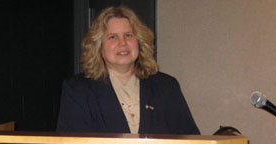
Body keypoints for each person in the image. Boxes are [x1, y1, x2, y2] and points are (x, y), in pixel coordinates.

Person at [56, 6, 199, 135]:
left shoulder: (167, 87)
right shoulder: (78, 90)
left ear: (139, 42)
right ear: (99, 47)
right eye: (113, 37)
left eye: (128, 35)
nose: (122, 43)